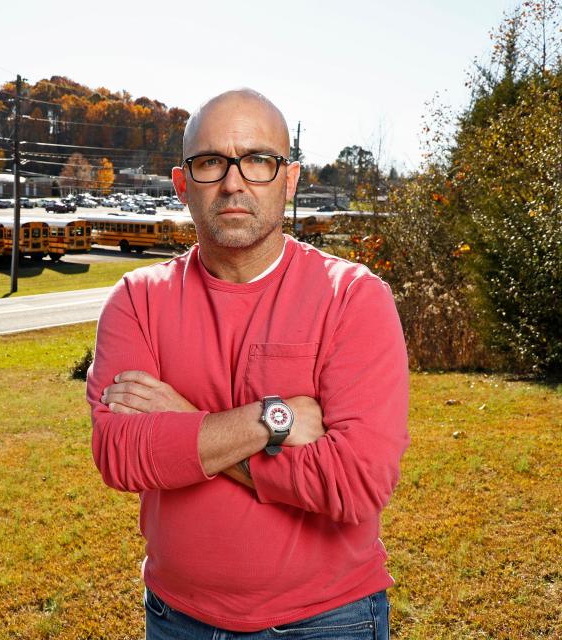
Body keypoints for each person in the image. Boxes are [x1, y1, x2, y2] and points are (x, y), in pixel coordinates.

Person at [86, 88, 409, 639]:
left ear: (290, 179)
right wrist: (269, 420)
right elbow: (120, 455)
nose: (234, 181)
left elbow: (354, 484)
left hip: (329, 620)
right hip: (177, 619)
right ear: (182, 183)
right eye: (211, 161)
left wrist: (183, 423)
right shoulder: (137, 299)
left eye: (258, 159)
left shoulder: (352, 297)